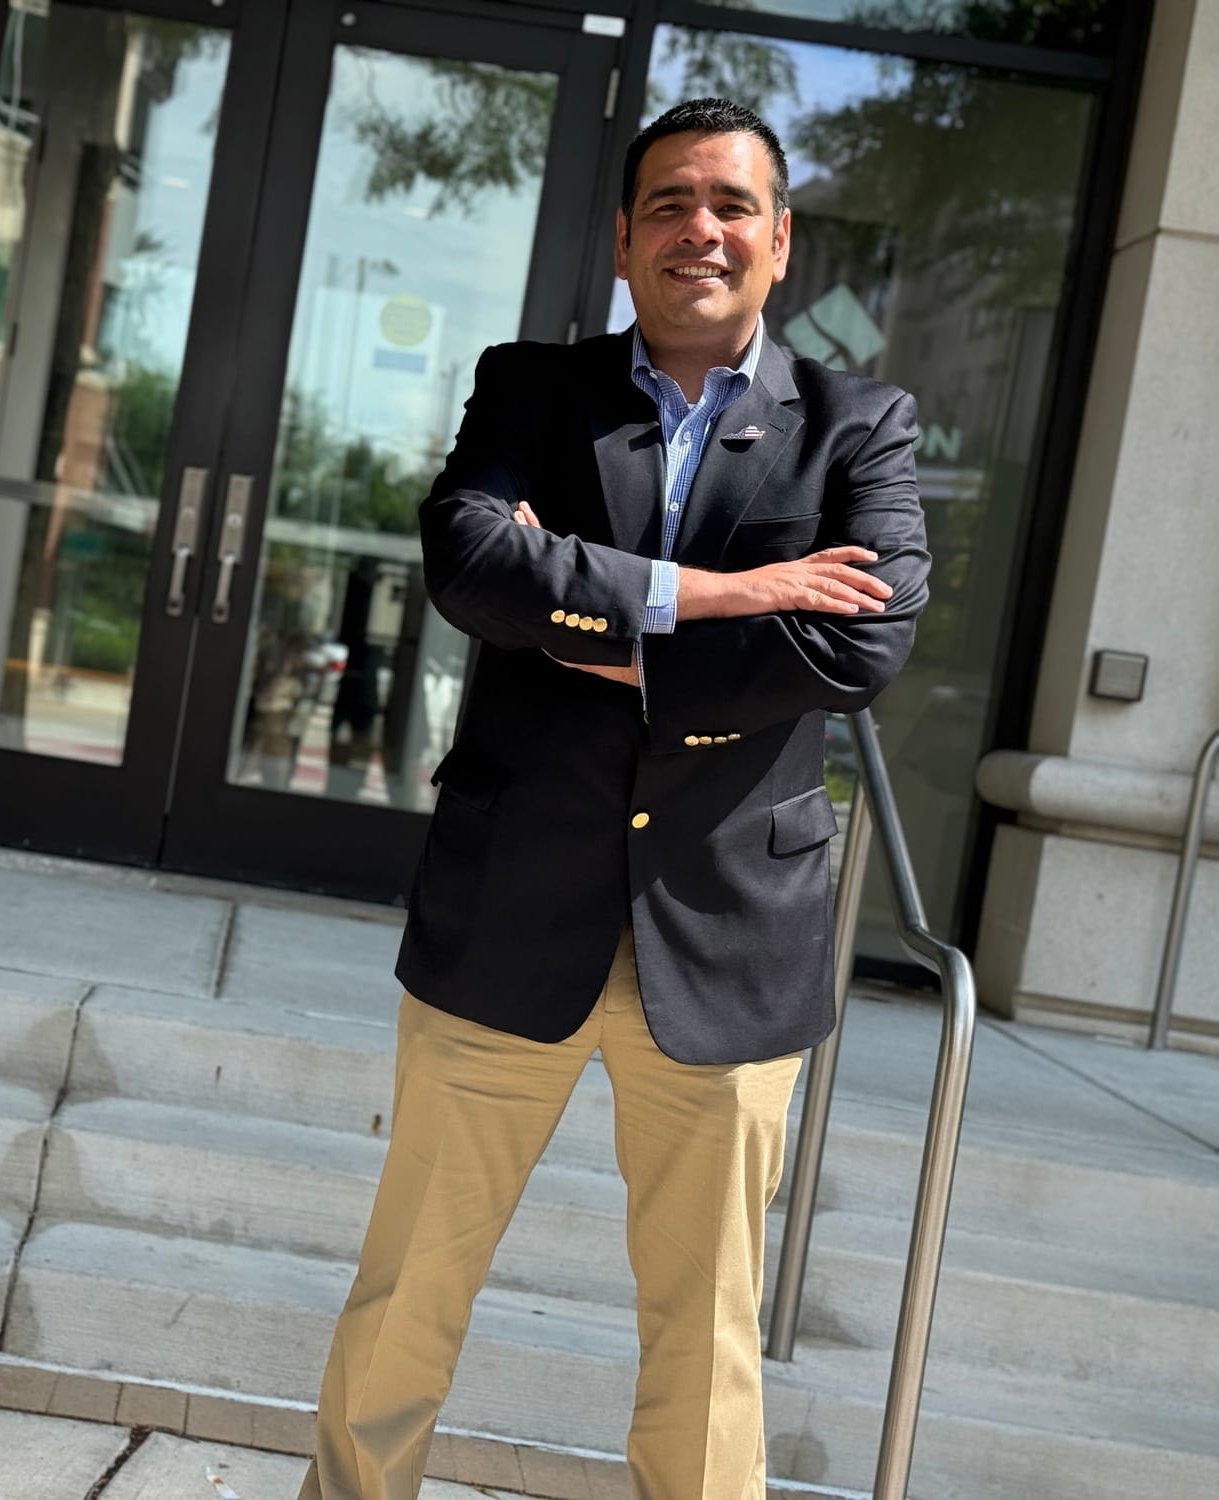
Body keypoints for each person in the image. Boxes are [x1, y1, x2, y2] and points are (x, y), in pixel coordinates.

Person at [298, 98, 930, 1500]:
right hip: (509, 914)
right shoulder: (531, 390)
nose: (699, 229)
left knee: (706, 1343)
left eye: (730, 205)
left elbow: (860, 647)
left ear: (779, 240)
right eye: (668, 204)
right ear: (626, 238)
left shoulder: (859, 426)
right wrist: (728, 596)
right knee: (406, 1299)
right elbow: (473, 566)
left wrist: (595, 622)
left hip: (729, 939)